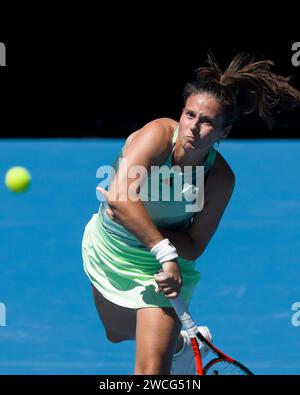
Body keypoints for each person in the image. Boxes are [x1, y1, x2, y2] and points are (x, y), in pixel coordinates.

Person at [82, 52, 300, 375]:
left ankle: (170, 346)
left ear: (223, 133)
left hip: (161, 266)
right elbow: (119, 197)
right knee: (115, 333)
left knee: (151, 374)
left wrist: (164, 254)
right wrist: (162, 247)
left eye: (207, 121)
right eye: (190, 115)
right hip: (111, 250)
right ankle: (182, 346)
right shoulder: (157, 136)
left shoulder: (220, 179)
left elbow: (196, 244)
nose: (194, 127)